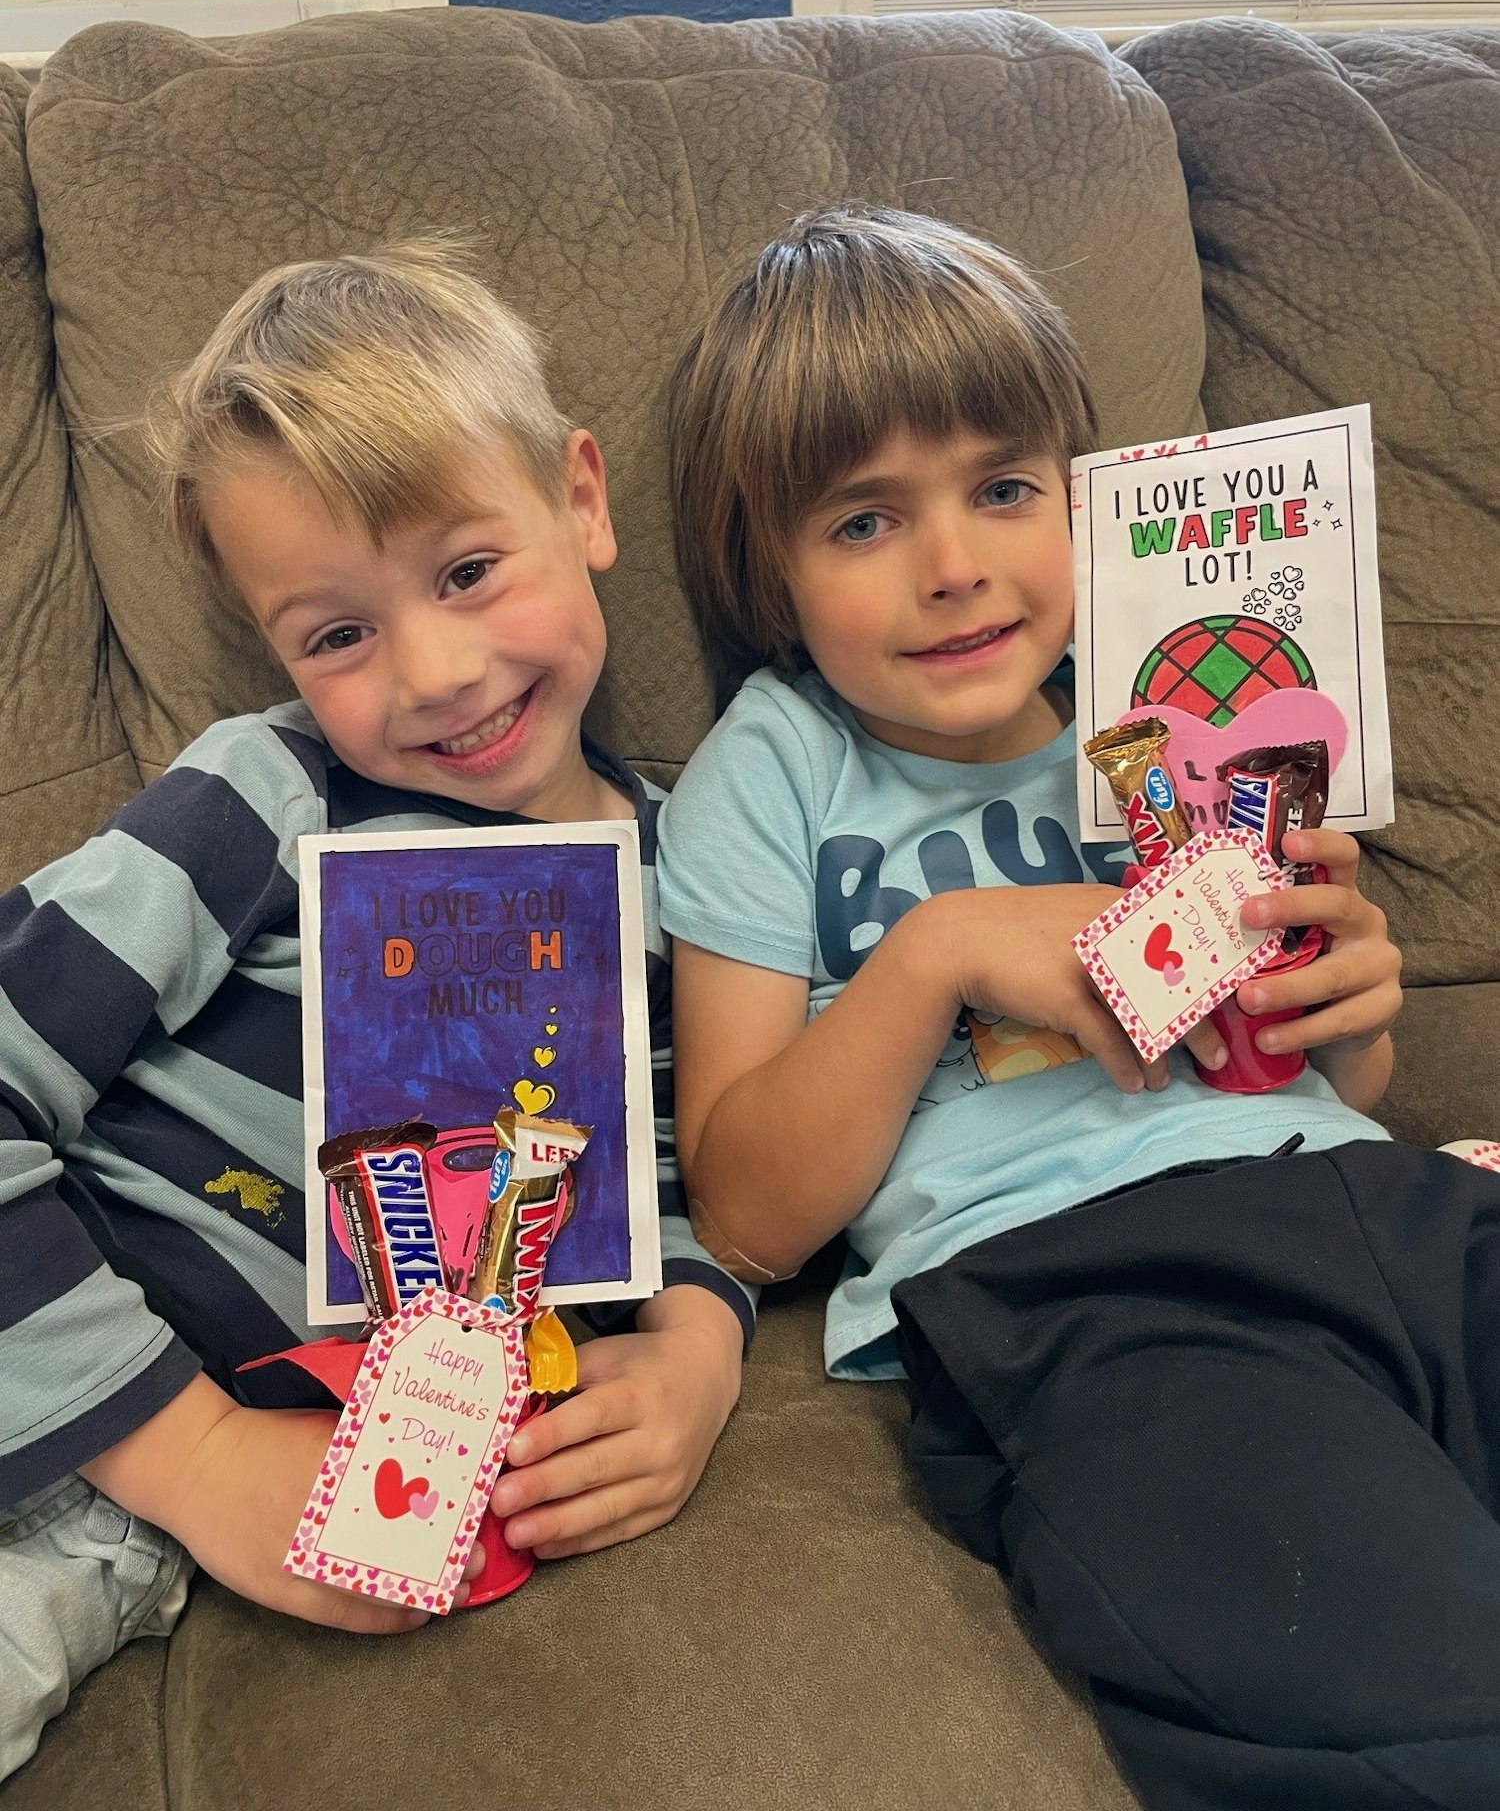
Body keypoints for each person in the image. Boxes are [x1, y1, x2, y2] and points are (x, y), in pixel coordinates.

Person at [657, 203, 1500, 1811]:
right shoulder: (776, 767)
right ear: (764, 573)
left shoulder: (1173, 705)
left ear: (1088, 502)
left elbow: (1332, 1070)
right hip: (1088, 1283)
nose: (956, 563)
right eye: (860, 521)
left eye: (1002, 488)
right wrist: (940, 953)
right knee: (1397, 1695)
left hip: (1377, 1196)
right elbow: (752, 1212)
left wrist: (1356, 998)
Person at [0, 242, 751, 1779]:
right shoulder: (267, 795)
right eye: (338, 632)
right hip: (98, 1364)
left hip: (147, 1524)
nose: (437, 671)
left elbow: (680, 1181)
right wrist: (194, 1457)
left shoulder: (701, 885)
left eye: (469, 570)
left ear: (584, 500)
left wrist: (697, 1345)